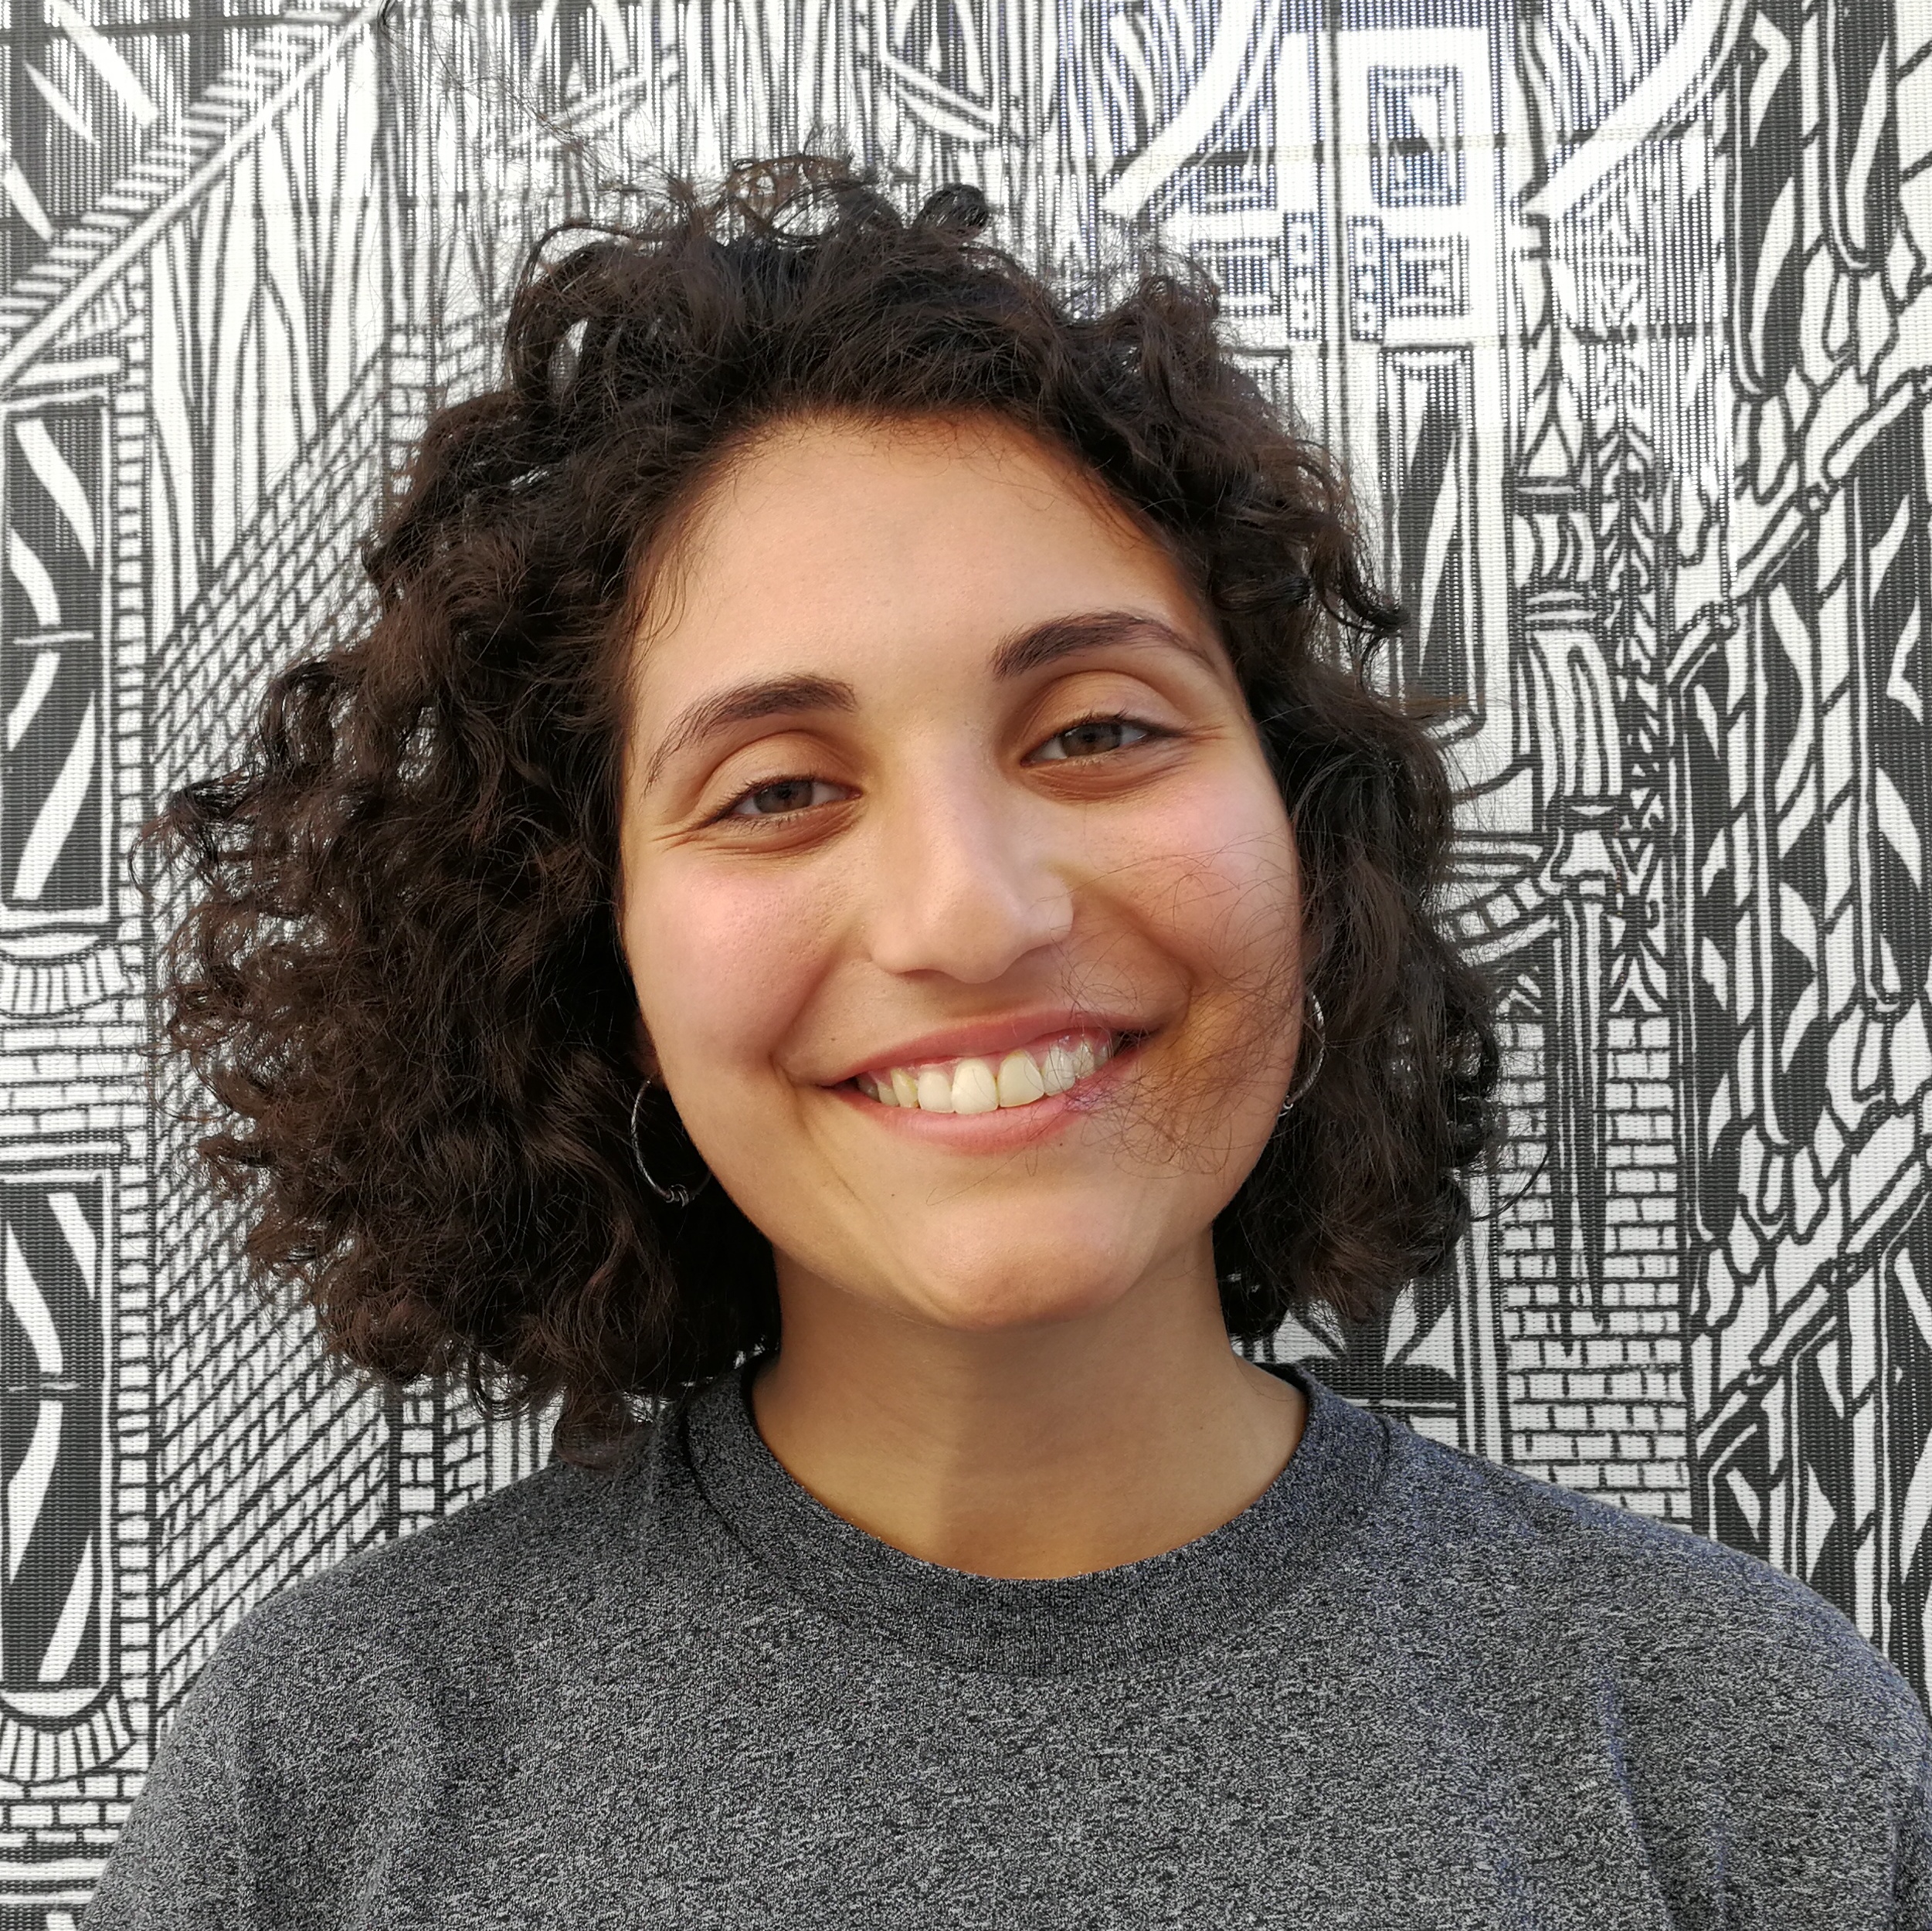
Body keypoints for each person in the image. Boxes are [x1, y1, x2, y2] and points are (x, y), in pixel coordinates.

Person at [90, 158, 1928, 1928]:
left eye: (1098, 731)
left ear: (1304, 844)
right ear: (600, 951)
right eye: (779, 788)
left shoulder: (1741, 1754)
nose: (970, 912)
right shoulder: (320, 1787)